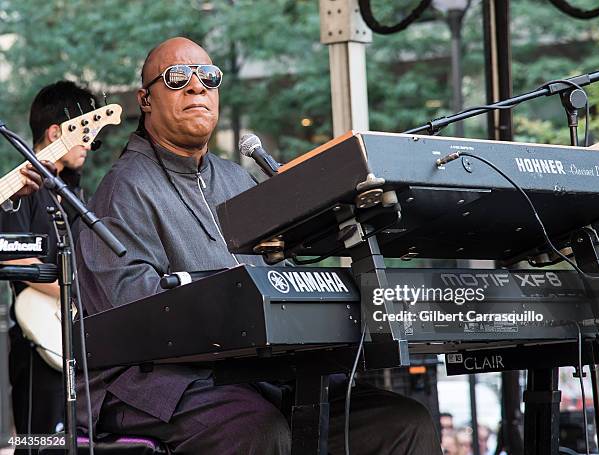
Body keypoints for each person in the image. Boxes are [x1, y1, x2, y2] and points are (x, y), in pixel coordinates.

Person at [75, 36, 441, 454]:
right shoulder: (122, 188)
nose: (197, 87)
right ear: (145, 99)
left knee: (403, 423)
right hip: (158, 382)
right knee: (259, 431)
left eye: (209, 78)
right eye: (178, 78)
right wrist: (230, 303)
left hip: (259, 373)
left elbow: (281, 278)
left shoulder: (237, 180)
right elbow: (130, 312)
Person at [1, 80, 97, 438]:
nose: (88, 143)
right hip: (35, 335)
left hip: (69, 334)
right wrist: (70, 292)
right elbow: (15, 260)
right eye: (83, 131)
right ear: (58, 131)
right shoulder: (19, 187)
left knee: (74, 437)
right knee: (39, 439)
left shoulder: (73, 193)